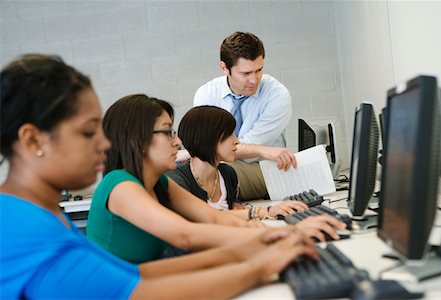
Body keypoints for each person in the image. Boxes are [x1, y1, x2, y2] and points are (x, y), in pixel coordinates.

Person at [0, 53, 319, 299]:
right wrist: (260, 264)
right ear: (32, 140)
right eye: (87, 132)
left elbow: (136, 274)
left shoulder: (37, 215)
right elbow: (147, 288)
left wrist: (256, 245)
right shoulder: (24, 229)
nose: (104, 143)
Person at [86, 94, 343, 263]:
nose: (177, 142)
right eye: (167, 133)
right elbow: (185, 235)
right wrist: (285, 235)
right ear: (137, 140)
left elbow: (214, 217)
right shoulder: (119, 185)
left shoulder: (159, 183)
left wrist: (283, 230)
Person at [190, 31, 296, 201]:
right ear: (224, 68)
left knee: (215, 171)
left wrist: (197, 151)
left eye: (259, 70)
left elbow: (214, 148)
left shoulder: (277, 95)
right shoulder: (207, 94)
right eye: (246, 74)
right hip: (220, 162)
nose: (254, 80)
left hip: (260, 167)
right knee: (184, 169)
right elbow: (207, 146)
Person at [169, 105, 314, 220]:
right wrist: (263, 212)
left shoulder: (227, 174)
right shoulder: (177, 180)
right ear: (208, 140)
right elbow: (206, 217)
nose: (236, 140)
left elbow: (230, 212)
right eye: (229, 135)